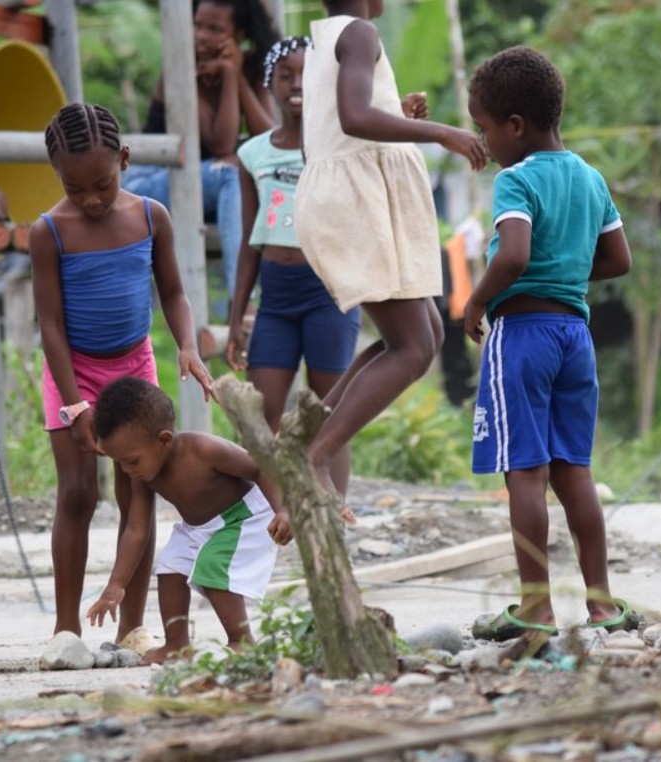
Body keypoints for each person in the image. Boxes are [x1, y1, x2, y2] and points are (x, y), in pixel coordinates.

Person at [461, 47, 638, 639]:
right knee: (575, 473)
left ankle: (535, 608)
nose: (482, 141)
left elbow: (512, 253)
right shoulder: (590, 178)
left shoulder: (517, 178)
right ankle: (602, 603)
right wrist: (563, 272)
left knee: (526, 474)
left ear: (515, 126)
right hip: (574, 335)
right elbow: (618, 259)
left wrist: (478, 299)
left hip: (523, 336)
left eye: (483, 127)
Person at [31, 103, 215, 640]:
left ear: (125, 160)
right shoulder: (50, 232)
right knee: (77, 494)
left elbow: (174, 292)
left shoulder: (151, 216)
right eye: (75, 187)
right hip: (74, 373)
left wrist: (187, 346)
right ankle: (67, 631)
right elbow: (50, 325)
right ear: (57, 175)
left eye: (104, 185)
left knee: (139, 492)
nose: (90, 199)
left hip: (133, 369)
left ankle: (132, 628)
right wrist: (74, 404)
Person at [294, 0, 486, 498]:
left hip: (347, 198)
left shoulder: (325, 36)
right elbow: (356, 118)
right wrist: (442, 132)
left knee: (423, 335)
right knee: (414, 346)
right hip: (356, 205)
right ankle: (316, 454)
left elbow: (332, 132)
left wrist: (395, 117)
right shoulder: (358, 33)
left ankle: (312, 430)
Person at [226, 36, 361, 494]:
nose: (295, 84)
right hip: (275, 297)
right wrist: (235, 315)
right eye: (285, 76)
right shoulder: (252, 154)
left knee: (329, 414)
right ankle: (269, 522)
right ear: (271, 85)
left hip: (327, 292)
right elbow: (249, 240)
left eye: (305, 75)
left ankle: (332, 515)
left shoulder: (338, 144)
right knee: (261, 418)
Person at [85, 377, 292, 664]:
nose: (126, 470)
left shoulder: (205, 450)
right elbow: (136, 530)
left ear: (164, 440)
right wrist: (116, 585)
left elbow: (260, 468)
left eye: (131, 460)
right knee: (170, 565)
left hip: (245, 517)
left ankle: (242, 641)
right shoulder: (144, 476)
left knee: (212, 564)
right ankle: (176, 643)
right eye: (118, 462)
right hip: (199, 528)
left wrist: (283, 509)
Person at [123, 0, 279, 301]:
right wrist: (232, 79)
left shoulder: (251, 66)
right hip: (147, 185)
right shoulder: (180, 70)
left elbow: (270, 137)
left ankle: (262, 300)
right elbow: (220, 144)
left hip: (201, 187)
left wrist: (235, 77)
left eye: (215, 29)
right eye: (198, 25)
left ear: (239, 33)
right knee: (230, 173)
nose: (201, 35)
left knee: (241, 176)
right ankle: (243, 304)